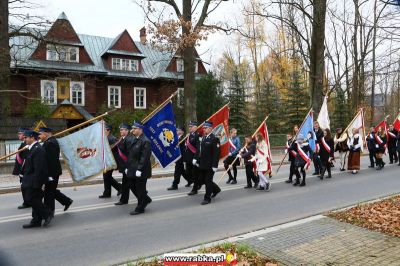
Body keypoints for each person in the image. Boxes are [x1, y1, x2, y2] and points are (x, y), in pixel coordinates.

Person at [21, 130, 52, 228]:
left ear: (32, 138)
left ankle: (47, 213)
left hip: (34, 180)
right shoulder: (32, 148)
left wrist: (37, 184)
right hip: (30, 179)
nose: (24, 139)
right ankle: (36, 221)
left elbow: (39, 168)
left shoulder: (38, 149)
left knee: (30, 199)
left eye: (26, 137)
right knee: (35, 199)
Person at [38, 127, 73, 217]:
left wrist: (49, 175)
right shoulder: (48, 142)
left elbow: (51, 160)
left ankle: (50, 212)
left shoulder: (51, 143)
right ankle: (67, 201)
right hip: (51, 172)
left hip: (52, 172)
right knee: (50, 191)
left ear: (46, 133)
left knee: (49, 193)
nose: (39, 136)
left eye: (40, 134)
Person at [126, 122, 153, 215]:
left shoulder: (146, 141)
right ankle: (145, 199)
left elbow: (144, 157)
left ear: (140, 129)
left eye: (135, 128)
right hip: (133, 168)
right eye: (132, 128)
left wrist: (139, 169)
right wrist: (127, 167)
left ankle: (140, 208)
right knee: (131, 185)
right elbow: (131, 155)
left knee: (140, 189)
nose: (133, 130)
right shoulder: (134, 139)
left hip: (141, 170)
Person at [195, 121, 221, 205]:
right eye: (204, 128)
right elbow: (201, 151)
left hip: (210, 165)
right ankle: (216, 189)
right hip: (202, 163)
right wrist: (198, 161)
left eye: (205, 128)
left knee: (208, 181)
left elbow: (216, 154)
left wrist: (215, 165)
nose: (204, 129)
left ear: (210, 129)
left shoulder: (215, 139)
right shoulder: (203, 138)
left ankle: (207, 198)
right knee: (202, 180)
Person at [115, 123, 135, 205]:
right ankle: (124, 200)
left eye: (122, 129)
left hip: (128, 166)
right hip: (124, 166)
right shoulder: (122, 139)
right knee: (126, 184)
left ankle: (145, 198)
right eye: (120, 130)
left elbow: (130, 155)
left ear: (127, 131)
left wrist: (127, 167)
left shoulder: (129, 139)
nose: (121, 131)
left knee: (131, 185)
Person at [99, 124, 122, 198]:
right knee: (106, 176)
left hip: (111, 161)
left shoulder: (112, 138)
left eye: (104, 129)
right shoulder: (104, 138)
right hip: (106, 161)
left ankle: (119, 187)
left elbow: (116, 149)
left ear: (108, 130)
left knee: (107, 177)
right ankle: (107, 192)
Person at [13, 127, 30, 209]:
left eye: (20, 133)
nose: (18, 135)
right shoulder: (23, 144)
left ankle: (27, 202)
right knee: (24, 187)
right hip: (22, 170)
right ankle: (27, 201)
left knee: (25, 187)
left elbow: (26, 159)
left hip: (25, 170)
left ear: (24, 135)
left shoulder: (26, 145)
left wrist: (23, 171)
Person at [187, 121, 201, 196]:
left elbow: (198, 148)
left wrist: (195, 158)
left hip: (195, 159)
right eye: (189, 126)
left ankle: (195, 189)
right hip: (189, 158)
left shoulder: (197, 135)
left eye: (191, 127)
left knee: (195, 174)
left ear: (195, 127)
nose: (189, 128)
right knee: (190, 173)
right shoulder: (189, 135)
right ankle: (198, 184)